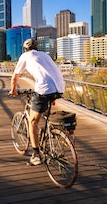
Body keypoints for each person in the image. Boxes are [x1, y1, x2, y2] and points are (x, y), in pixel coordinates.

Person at [9, 38, 65, 166]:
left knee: (33, 122)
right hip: (59, 87)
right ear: (37, 47)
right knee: (43, 110)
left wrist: (13, 90)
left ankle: (36, 155)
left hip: (44, 88)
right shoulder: (45, 55)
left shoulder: (25, 56)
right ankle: (49, 133)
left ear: (25, 49)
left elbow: (15, 76)